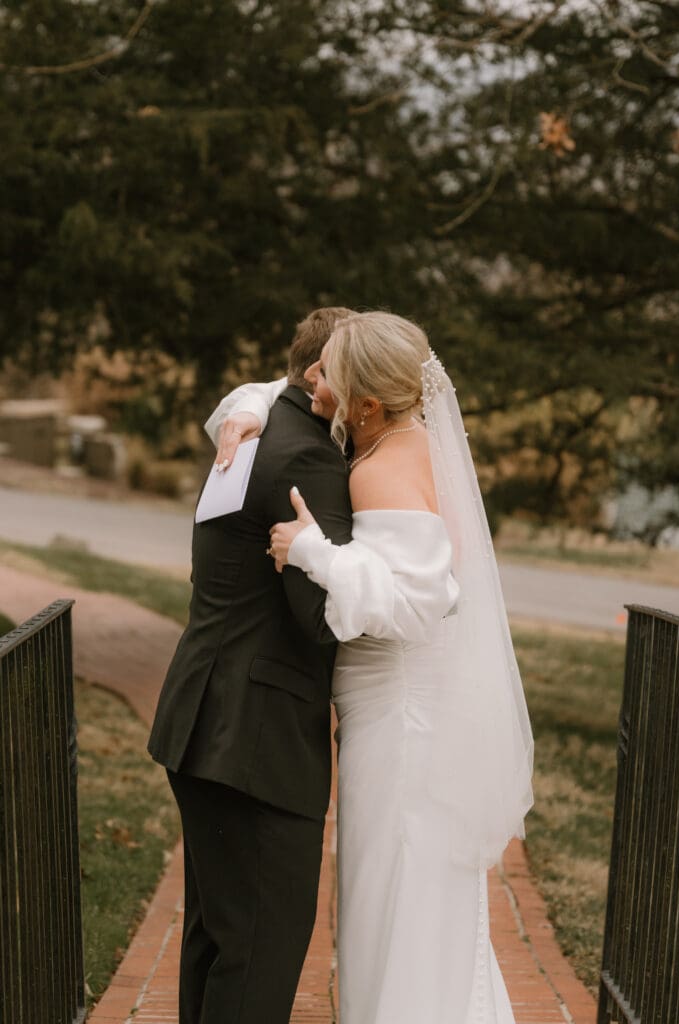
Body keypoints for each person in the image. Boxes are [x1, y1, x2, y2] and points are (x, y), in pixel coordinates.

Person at [209, 311, 534, 1024]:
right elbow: (279, 386)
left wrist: (312, 552)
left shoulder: (385, 466)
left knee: (395, 908)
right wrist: (246, 407)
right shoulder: (393, 434)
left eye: (329, 374)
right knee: (393, 907)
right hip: (393, 718)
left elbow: (417, 602)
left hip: (402, 728)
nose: (312, 381)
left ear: (366, 404)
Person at [147, 306, 356, 1024]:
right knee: (258, 956)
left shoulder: (269, 426)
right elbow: (320, 619)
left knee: (218, 943)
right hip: (256, 742)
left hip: (205, 718)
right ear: (317, 376)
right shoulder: (308, 459)